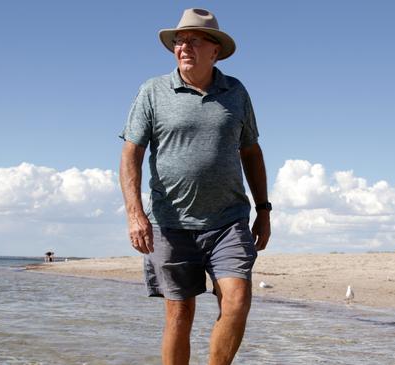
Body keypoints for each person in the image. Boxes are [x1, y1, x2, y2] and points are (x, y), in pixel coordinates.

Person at [119, 8, 271, 365]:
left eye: (194, 40)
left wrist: (263, 210)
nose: (184, 47)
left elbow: (251, 151)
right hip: (171, 224)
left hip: (228, 222)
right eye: (179, 41)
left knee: (236, 302)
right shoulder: (153, 91)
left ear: (215, 50)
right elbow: (131, 154)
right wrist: (134, 214)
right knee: (179, 315)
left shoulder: (235, 92)